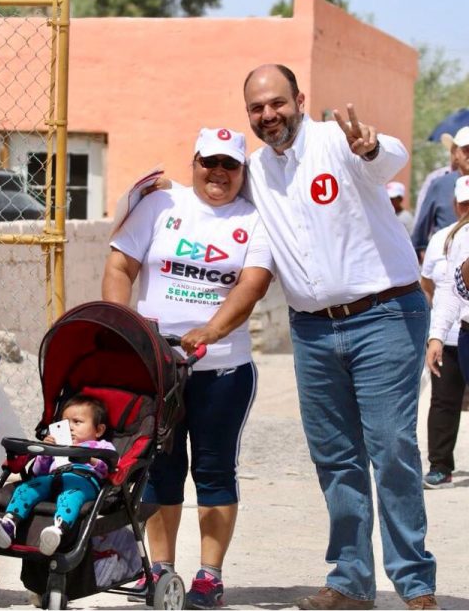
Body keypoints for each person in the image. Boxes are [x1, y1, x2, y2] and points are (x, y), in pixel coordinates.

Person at [241, 63, 437, 611]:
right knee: (335, 456)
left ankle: (415, 585)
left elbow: (389, 157)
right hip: (312, 330)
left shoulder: (340, 141)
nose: (268, 115)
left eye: (277, 103)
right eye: (257, 108)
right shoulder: (255, 171)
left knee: (392, 447)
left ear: (300, 98)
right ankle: (350, 581)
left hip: (385, 316)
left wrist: (373, 149)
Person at [103, 127, 274, 609]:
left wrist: (211, 332)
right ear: (194, 162)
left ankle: (209, 576)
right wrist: (124, 328)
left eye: (230, 165)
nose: (218, 172)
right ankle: (159, 570)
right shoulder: (161, 205)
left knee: (215, 469)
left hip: (222, 371)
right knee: (159, 467)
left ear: (242, 171)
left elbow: (252, 285)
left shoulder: (256, 218)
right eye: (209, 162)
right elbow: (120, 268)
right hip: (156, 368)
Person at [0, 394, 116, 556]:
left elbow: (108, 468)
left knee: (70, 498)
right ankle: (8, 524)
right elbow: (38, 472)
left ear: (99, 430)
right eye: (65, 422)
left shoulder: (101, 446)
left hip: (82, 481)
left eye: (77, 422)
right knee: (26, 488)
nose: (70, 427)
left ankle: (57, 531)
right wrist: (46, 451)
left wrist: (90, 458)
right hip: (53, 477)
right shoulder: (58, 443)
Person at [421, 176, 469, 489]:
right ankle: (440, 465)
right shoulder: (457, 237)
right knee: (444, 402)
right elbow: (449, 290)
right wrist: (436, 335)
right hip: (463, 334)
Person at [411, 131, 467, 260]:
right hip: (445, 260)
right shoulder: (439, 184)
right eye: (467, 150)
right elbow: (421, 229)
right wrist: (422, 251)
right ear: (456, 153)